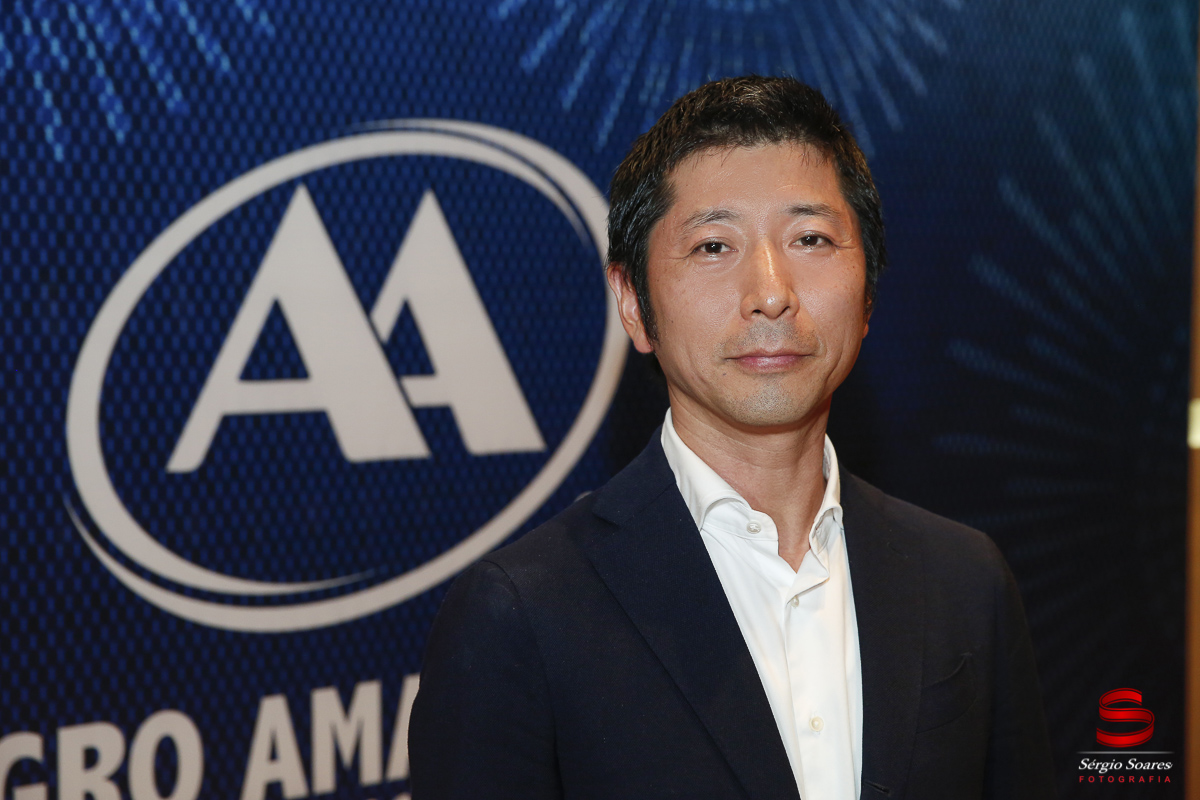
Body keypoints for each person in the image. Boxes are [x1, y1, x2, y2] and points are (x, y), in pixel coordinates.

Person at [408, 75, 1056, 799]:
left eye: (810, 238)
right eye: (714, 246)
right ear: (633, 303)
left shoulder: (965, 579)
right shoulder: (520, 615)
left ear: (869, 292)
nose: (771, 292)